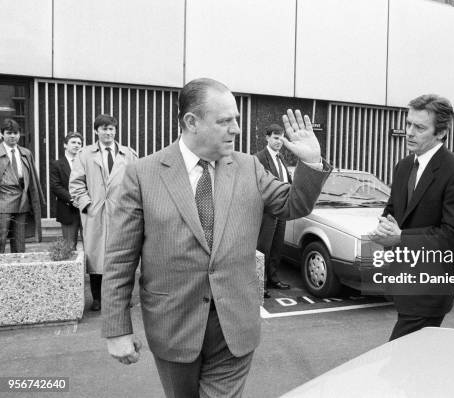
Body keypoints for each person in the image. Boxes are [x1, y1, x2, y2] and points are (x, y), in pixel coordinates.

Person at [101, 77, 330, 398]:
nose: (236, 129)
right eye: (225, 121)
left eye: (235, 119)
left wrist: (311, 162)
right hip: (173, 326)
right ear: (191, 122)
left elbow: (294, 204)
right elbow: (121, 257)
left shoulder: (249, 167)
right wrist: (117, 328)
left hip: (234, 325)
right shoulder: (143, 174)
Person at [369, 94, 454, 340]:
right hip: (403, 283)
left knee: (398, 358)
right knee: (418, 365)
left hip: (430, 289)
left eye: (419, 127)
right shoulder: (404, 166)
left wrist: (401, 238)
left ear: (440, 133)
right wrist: (385, 229)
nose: (409, 132)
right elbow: (393, 211)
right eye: (408, 124)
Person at [69, 115, 138, 312]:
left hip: (122, 212)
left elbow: (137, 181)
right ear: (96, 131)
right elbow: (76, 184)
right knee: (96, 257)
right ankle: (98, 298)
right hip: (96, 212)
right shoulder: (85, 154)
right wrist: (87, 205)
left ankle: (123, 297)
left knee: (124, 256)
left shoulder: (129, 154)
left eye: (112, 129)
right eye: (104, 129)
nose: (108, 133)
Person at [256, 124, 292, 298]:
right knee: (263, 249)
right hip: (267, 212)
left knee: (277, 248)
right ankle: (260, 284)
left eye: (282, 138)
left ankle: (273, 279)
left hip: (281, 211)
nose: (279, 141)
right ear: (267, 138)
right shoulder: (259, 159)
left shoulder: (281, 158)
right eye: (276, 138)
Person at [0, 119, 45, 253]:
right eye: (9, 133)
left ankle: (17, 269)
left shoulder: (26, 153)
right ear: (2, 134)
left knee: (20, 241)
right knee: (1, 238)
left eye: (16, 133)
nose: (13, 136)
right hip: (3, 200)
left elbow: (33, 180)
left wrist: (36, 201)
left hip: (22, 199)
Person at [50, 132, 83, 250]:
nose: (77, 145)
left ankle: (91, 269)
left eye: (79, 143)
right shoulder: (57, 164)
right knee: (69, 247)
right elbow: (55, 186)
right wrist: (72, 199)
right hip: (68, 210)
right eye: (73, 142)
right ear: (65, 145)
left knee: (91, 247)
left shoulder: (86, 163)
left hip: (86, 209)